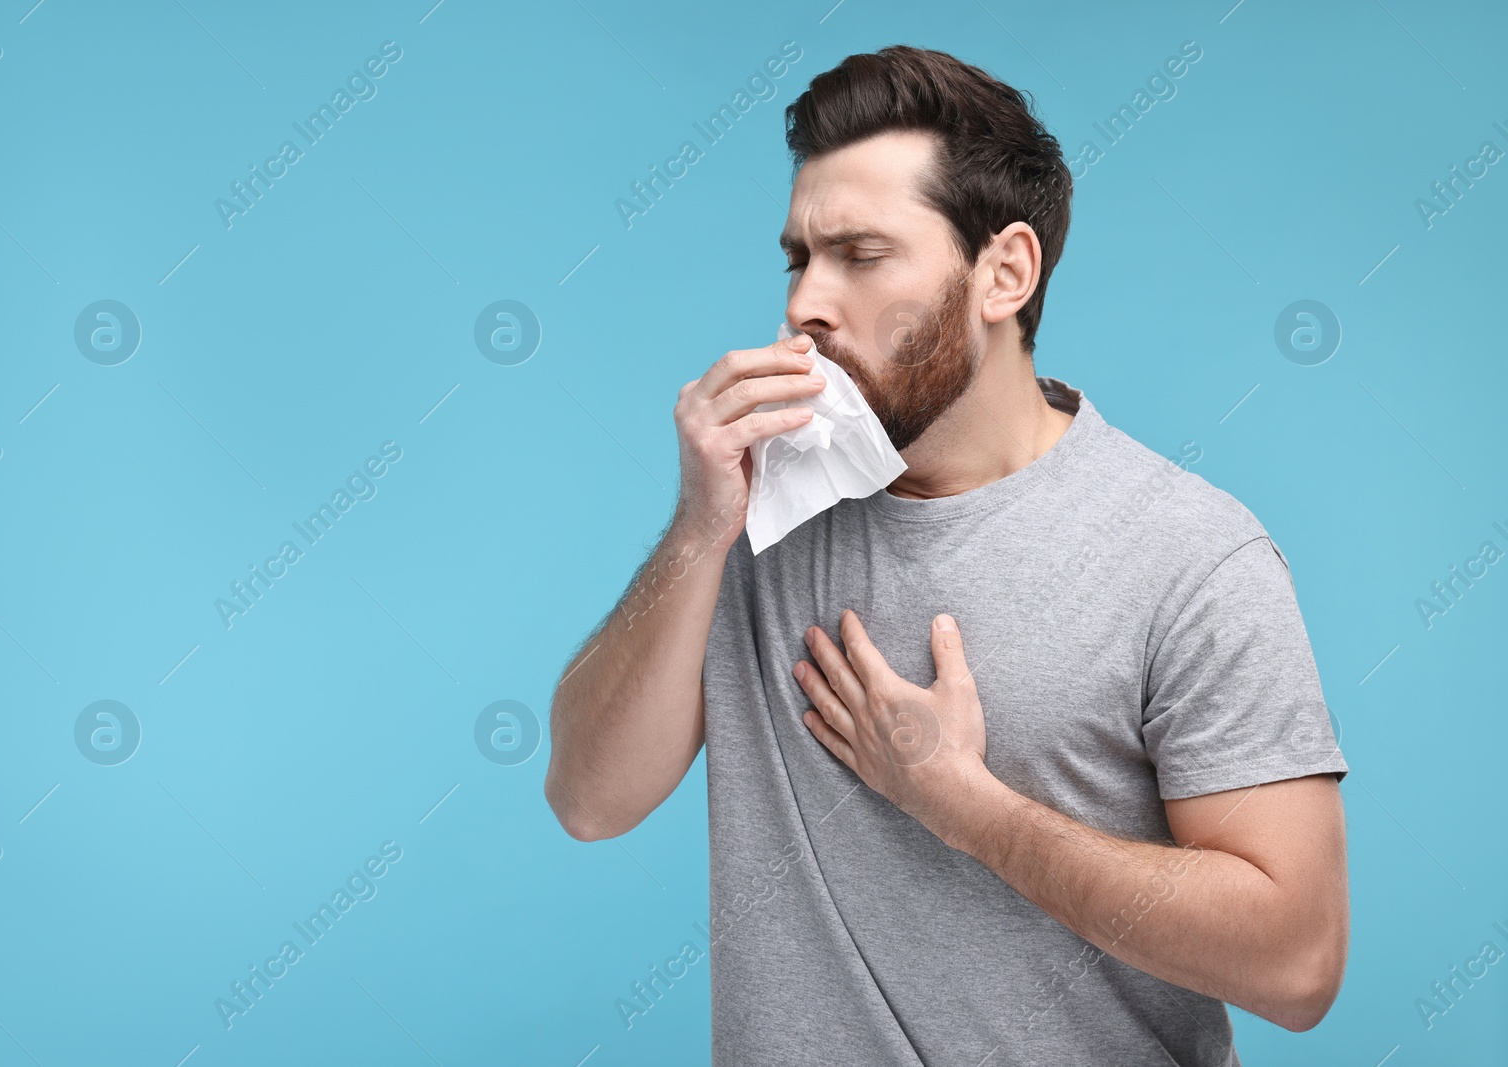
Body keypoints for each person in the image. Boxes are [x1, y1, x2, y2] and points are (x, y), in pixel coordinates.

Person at [544, 44, 1349, 1066]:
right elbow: (586, 796)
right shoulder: (763, 510)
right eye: (800, 258)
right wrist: (698, 528)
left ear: (1003, 272)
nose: (804, 304)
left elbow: (1296, 962)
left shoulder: (1190, 555)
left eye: (861, 255)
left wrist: (967, 807)